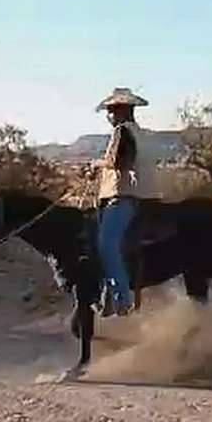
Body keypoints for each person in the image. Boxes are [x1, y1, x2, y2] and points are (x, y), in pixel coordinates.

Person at [91, 87, 157, 315]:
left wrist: (96, 165)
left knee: (106, 246)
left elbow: (121, 163)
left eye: (110, 111)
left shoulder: (121, 131)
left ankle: (121, 300)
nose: (108, 115)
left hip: (124, 197)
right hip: (141, 196)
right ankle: (107, 297)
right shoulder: (141, 133)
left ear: (119, 111)